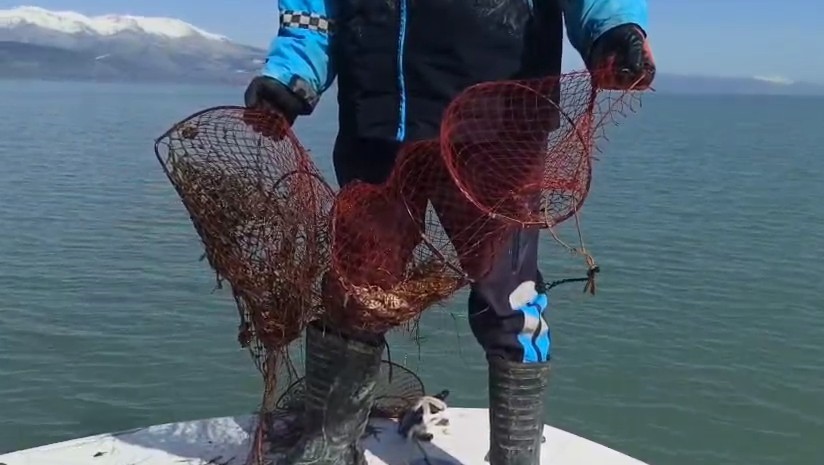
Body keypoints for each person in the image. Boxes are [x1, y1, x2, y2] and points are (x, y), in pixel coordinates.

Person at [244, 0, 655, 464]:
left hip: (500, 121)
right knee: (356, 289)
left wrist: (614, 28)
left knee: (510, 296)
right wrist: (292, 73)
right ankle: (330, 449)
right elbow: (313, 10)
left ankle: (515, 457)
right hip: (377, 119)